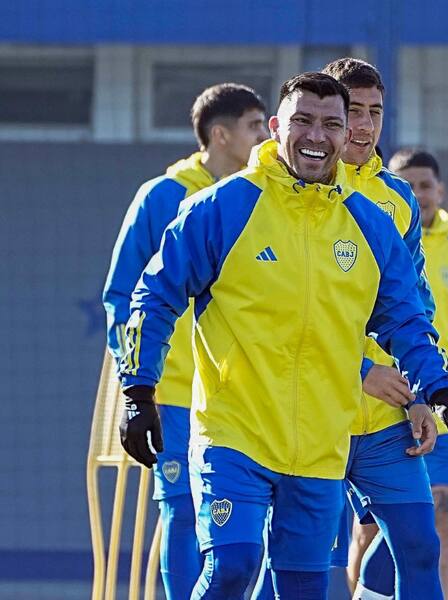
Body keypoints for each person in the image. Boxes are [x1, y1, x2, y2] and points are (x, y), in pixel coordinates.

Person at [116, 71, 448, 600]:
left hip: (320, 443)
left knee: (305, 587)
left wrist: (439, 391)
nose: (318, 135)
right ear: (278, 127)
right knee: (234, 565)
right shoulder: (223, 206)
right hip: (235, 431)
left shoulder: (369, 223)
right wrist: (137, 391)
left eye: (331, 123)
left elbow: (406, 318)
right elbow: (155, 295)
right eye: (303, 121)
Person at [252, 57, 448, 600]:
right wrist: (360, 369)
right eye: (354, 112)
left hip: (383, 419)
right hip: (310, 411)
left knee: (419, 546)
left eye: (375, 113)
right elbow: (280, 313)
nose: (364, 126)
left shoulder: (397, 199)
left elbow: (414, 308)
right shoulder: (282, 196)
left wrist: (420, 395)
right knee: (297, 564)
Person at [102, 83, 267, 599]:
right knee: (181, 509)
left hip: (239, 393)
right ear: (220, 135)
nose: (267, 135)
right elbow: (122, 295)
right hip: (174, 392)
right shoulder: (163, 196)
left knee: (243, 523)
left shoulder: (264, 198)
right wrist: (137, 385)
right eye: (255, 126)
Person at [351, 148, 448, 600]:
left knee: (441, 533)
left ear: (440, 190)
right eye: (406, 185)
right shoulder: (366, 233)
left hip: (447, 413)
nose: (417, 195)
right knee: (371, 537)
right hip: (378, 408)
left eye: (425, 185)